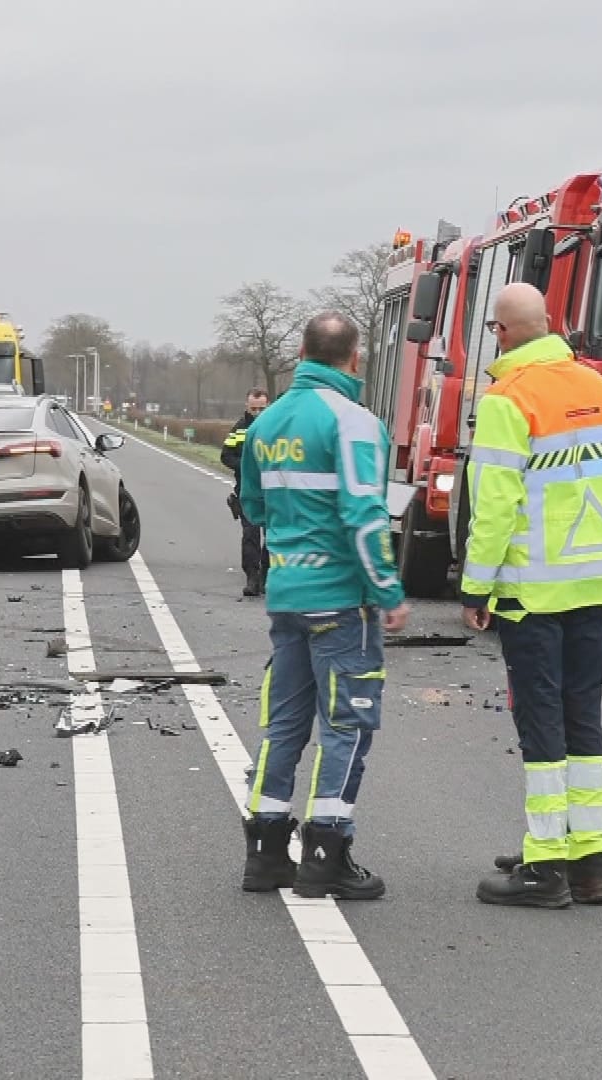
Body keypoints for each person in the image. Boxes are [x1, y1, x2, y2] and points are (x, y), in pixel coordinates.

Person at [460, 283, 602, 908]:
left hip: (533, 590)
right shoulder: (599, 389)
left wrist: (476, 586)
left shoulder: (509, 398)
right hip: (597, 584)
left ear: (502, 333)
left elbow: (496, 504)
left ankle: (544, 870)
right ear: (549, 324)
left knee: (540, 725)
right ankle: (587, 862)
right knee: (583, 718)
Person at [237, 313, 410, 900]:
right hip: (341, 601)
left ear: (301, 351)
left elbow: (255, 508)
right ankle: (325, 855)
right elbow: (365, 514)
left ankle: (265, 853)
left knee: (283, 725)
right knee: (347, 728)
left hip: (287, 598)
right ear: (354, 358)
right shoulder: (355, 422)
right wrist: (387, 590)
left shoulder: (266, 423)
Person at [220, 388, 272, 596]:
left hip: (271, 492)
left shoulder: (275, 429)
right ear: (246, 406)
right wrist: (246, 466)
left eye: (262, 409)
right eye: (253, 409)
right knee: (250, 534)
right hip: (246, 491)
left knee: (272, 536)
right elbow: (226, 456)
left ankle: (267, 577)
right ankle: (252, 577)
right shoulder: (239, 429)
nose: (257, 413)